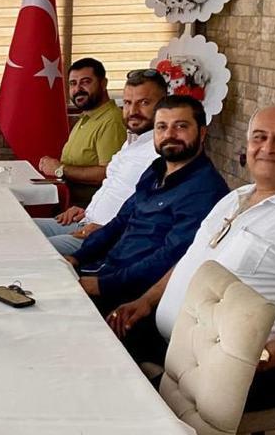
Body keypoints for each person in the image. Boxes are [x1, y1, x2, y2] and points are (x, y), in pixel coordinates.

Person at [107, 104, 275, 411]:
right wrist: (147, 300)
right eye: (259, 137)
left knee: (119, 407)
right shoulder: (235, 197)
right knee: (92, 353)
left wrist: (261, 358)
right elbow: (193, 257)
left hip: (236, 371)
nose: (268, 148)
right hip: (172, 343)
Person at [65, 95, 230, 313]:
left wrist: (102, 285)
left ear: (202, 133)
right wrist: (77, 258)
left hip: (131, 296)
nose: (169, 135)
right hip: (106, 269)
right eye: (162, 127)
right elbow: (121, 221)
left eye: (181, 126)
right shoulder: (156, 170)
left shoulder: (204, 190)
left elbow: (170, 257)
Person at [36, 69, 167, 255]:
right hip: (84, 220)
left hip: (107, 238)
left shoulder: (162, 151)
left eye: (144, 103)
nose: (133, 111)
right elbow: (115, 188)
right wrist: (88, 210)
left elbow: (156, 215)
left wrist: (108, 231)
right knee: (13, 228)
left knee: (31, 249)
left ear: (164, 105)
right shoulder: (133, 141)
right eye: (128, 103)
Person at [37, 58, 127, 206]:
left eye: (85, 82)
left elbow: (109, 173)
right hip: (68, 205)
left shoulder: (111, 121)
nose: (78, 89)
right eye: (73, 83)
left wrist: (60, 169)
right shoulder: (86, 117)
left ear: (103, 83)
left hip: (88, 211)